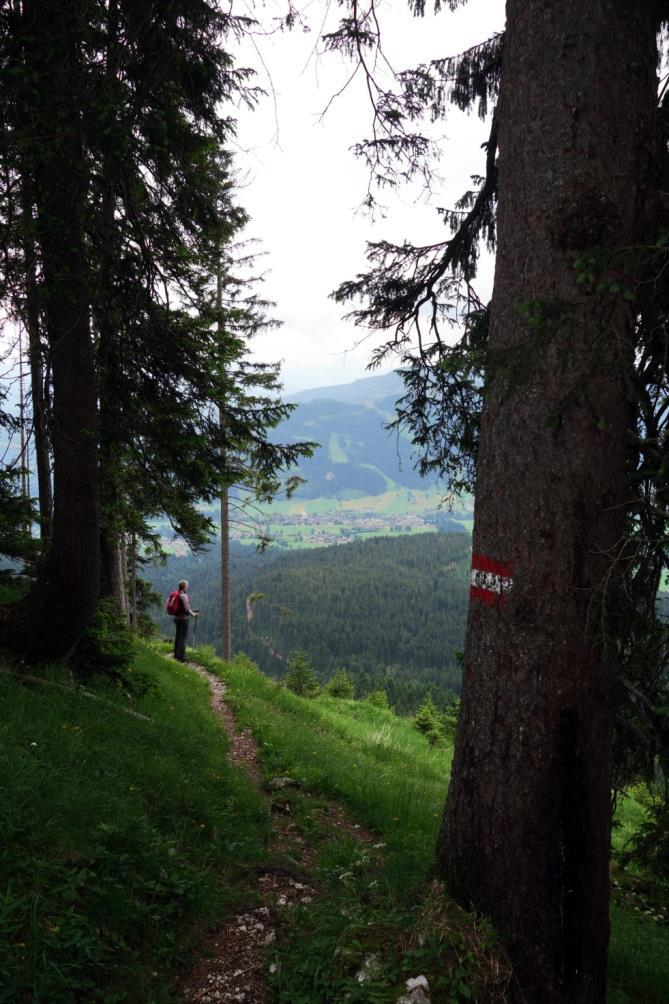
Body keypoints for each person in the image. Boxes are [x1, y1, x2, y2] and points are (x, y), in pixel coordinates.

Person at [173, 579, 199, 662]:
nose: (187, 587)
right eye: (187, 585)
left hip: (176, 618)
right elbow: (187, 610)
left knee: (178, 636)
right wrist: (194, 614)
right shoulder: (183, 595)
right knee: (183, 637)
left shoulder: (176, 594)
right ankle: (181, 657)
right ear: (184, 587)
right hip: (183, 619)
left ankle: (176, 654)